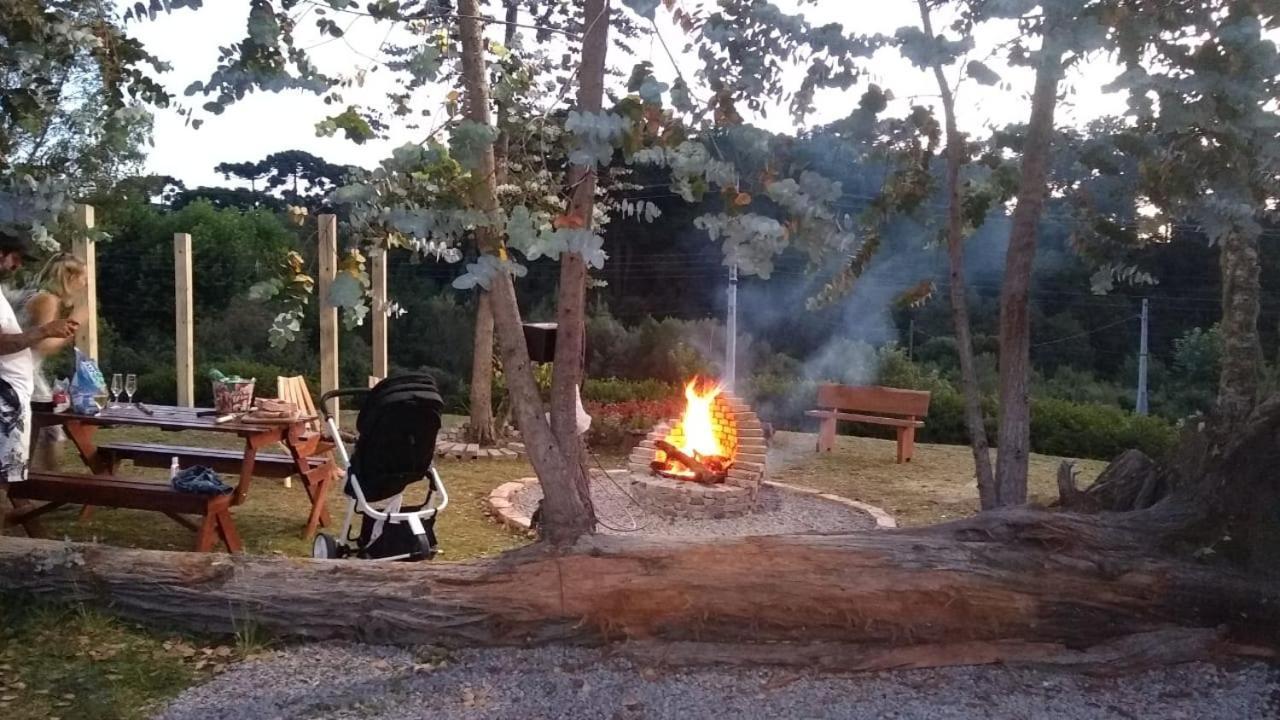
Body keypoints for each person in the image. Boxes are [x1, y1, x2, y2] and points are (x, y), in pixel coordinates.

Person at [0, 230, 77, 490]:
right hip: (4, 397)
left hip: (11, 395)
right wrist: (45, 331)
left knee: (8, 478)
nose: (17, 265)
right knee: (3, 480)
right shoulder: (44, 299)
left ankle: (28, 514)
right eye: (15, 258)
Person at [12, 252, 90, 468]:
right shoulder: (47, 300)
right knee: (51, 432)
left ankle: (31, 486)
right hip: (23, 372)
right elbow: (42, 345)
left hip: (19, 369)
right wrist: (75, 324)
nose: (85, 283)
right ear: (69, 277)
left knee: (31, 431)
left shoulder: (33, 294)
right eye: (83, 277)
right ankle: (44, 487)